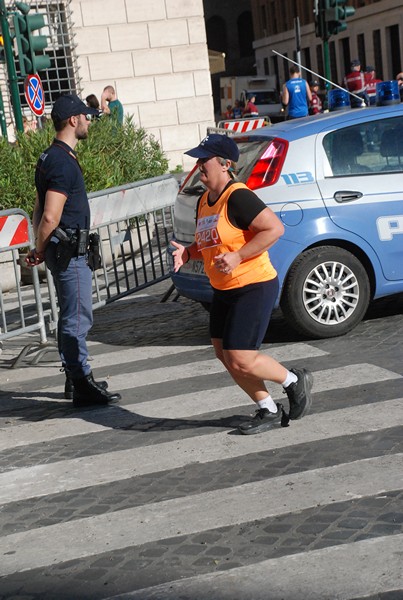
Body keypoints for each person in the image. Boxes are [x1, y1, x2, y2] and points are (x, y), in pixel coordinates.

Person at [171, 134, 313, 435]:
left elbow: (274, 228)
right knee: (225, 355)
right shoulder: (203, 202)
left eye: (204, 159)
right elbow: (207, 242)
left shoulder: (238, 196)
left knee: (241, 357)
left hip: (253, 285)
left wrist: (239, 256)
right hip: (223, 290)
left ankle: (293, 381)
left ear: (224, 164)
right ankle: (268, 409)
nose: (199, 166)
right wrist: (188, 252)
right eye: (197, 160)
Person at [25, 94, 121, 408]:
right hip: (69, 251)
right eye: (86, 116)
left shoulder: (50, 157)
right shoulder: (62, 162)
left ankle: (74, 376)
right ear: (73, 120)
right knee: (77, 318)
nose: (89, 121)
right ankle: (81, 383)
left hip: (60, 248)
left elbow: (39, 207)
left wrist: (40, 247)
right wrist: (40, 247)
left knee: (70, 315)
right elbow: (51, 214)